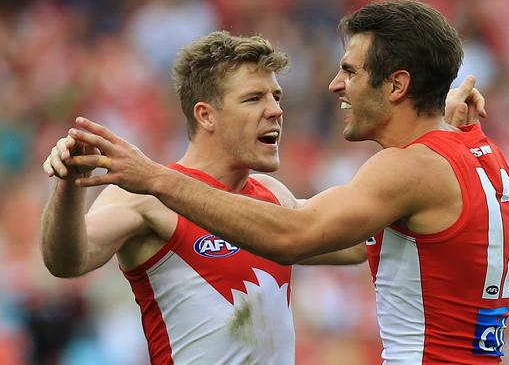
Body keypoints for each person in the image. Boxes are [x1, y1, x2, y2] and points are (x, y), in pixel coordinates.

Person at [41, 28, 485, 365]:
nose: (275, 109)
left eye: (276, 95)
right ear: (206, 115)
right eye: (254, 98)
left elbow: (354, 238)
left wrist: (435, 128)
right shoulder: (145, 194)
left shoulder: (272, 197)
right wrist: (66, 185)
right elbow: (67, 261)